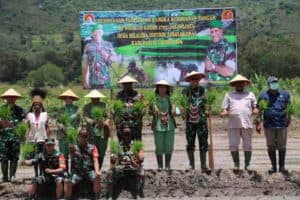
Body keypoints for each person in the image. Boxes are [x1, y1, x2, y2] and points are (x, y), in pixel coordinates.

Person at [221, 75, 258, 171]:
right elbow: (225, 109)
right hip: (233, 124)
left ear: (245, 84)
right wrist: (224, 113)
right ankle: (236, 164)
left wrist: (255, 110)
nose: (240, 84)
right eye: (238, 83)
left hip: (247, 123)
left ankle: (247, 164)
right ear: (234, 85)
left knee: (248, 144)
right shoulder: (228, 95)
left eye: (242, 83)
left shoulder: (251, 94)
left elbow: (255, 107)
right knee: (233, 144)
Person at [256, 76, 291, 174]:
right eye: (272, 82)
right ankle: (273, 167)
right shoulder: (263, 95)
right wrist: (258, 123)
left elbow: (289, 107)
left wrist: (289, 118)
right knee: (270, 146)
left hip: (282, 124)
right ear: (268, 84)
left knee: (282, 146)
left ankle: (282, 167)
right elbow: (259, 110)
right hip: (269, 125)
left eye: (276, 82)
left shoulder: (285, 94)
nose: (274, 84)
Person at [107, 122, 144, 199]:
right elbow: (113, 164)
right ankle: (110, 195)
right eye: (125, 134)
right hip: (121, 167)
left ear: (131, 134)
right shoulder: (117, 146)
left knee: (141, 171)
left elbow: (140, 160)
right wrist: (114, 160)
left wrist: (134, 160)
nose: (127, 136)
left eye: (128, 133)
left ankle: (139, 192)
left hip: (132, 166)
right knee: (109, 173)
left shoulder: (136, 146)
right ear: (122, 134)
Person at [181, 71, 209, 173]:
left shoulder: (203, 90)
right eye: (193, 79)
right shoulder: (185, 91)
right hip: (190, 122)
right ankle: (191, 165)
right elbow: (182, 105)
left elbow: (207, 103)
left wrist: (207, 109)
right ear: (189, 80)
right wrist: (183, 112)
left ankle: (203, 165)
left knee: (203, 143)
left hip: (201, 121)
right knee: (190, 143)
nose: (195, 81)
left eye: (197, 79)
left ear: (199, 80)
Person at [65, 128, 101, 200]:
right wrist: (72, 147)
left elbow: (95, 160)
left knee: (96, 178)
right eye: (82, 136)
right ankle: (67, 198)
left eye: (86, 136)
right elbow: (72, 151)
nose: (84, 138)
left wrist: (97, 171)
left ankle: (97, 197)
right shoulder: (74, 147)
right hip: (77, 172)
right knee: (68, 182)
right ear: (78, 136)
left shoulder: (92, 147)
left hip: (89, 171)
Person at [150, 80, 176, 171]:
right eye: (160, 87)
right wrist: (154, 109)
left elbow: (173, 106)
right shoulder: (154, 99)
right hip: (158, 124)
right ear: (157, 88)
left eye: (164, 87)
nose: (162, 89)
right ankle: (160, 165)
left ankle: (168, 165)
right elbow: (152, 109)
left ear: (167, 89)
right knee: (159, 145)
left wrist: (173, 109)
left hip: (169, 124)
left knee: (169, 145)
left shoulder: (170, 98)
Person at [82, 23, 118, 89]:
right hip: (93, 82)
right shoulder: (88, 46)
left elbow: (115, 59)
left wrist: (106, 55)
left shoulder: (108, 45)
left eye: (98, 32)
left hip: (106, 81)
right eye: (94, 32)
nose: (96, 34)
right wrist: (84, 81)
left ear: (102, 33)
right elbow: (85, 65)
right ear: (92, 34)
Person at [0, 89, 25, 182]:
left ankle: (13, 175)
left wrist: (21, 130)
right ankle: (4, 176)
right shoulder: (1, 109)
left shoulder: (20, 110)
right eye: (9, 97)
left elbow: (24, 121)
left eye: (13, 97)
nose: (10, 99)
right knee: (3, 157)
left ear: (15, 99)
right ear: (6, 98)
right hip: (4, 136)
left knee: (14, 157)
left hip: (15, 136)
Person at [83, 89, 110, 169]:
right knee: (92, 151)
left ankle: (99, 169)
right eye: (93, 97)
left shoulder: (104, 105)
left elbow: (108, 117)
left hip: (102, 133)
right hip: (92, 133)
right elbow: (85, 117)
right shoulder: (87, 107)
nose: (95, 99)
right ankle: (93, 169)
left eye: (97, 97)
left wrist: (104, 122)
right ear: (91, 98)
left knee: (102, 152)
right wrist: (92, 121)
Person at [26, 88, 50, 177]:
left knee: (42, 158)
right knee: (35, 158)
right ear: (33, 106)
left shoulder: (45, 115)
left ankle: (41, 174)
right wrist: (26, 138)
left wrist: (47, 138)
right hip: (33, 139)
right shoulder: (29, 115)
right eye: (35, 105)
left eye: (39, 105)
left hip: (42, 139)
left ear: (41, 106)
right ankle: (36, 174)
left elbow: (48, 127)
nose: (37, 106)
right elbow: (28, 127)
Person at [56, 89, 80, 172]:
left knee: (74, 154)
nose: (68, 99)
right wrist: (61, 126)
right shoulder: (61, 109)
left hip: (73, 134)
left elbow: (79, 122)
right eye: (66, 98)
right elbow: (57, 122)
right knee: (63, 154)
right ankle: (64, 172)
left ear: (73, 99)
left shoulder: (77, 109)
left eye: (70, 98)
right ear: (64, 99)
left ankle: (73, 172)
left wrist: (77, 131)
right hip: (62, 134)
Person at [116, 75, 144, 141]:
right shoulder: (119, 95)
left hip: (135, 122)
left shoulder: (137, 94)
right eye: (125, 84)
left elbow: (142, 107)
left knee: (136, 140)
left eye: (129, 83)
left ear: (132, 84)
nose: (127, 85)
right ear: (122, 84)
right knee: (122, 140)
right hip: (122, 122)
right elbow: (116, 108)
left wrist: (134, 106)